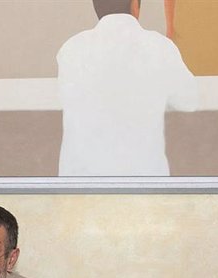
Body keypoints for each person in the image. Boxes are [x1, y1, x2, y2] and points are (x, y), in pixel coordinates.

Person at [56, 0, 198, 177]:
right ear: (135, 5)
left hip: (80, 186)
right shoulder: (159, 47)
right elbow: (189, 101)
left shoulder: (71, 49)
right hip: (143, 183)